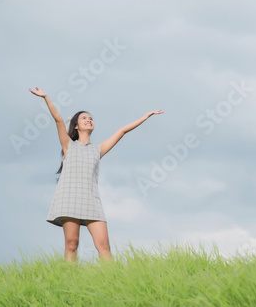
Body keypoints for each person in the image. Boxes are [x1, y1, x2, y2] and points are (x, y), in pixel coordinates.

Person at [29, 86, 164, 263]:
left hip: (91, 200)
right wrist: (46, 97)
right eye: (84, 118)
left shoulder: (97, 150)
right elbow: (58, 120)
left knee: (104, 245)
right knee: (71, 244)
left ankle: (111, 281)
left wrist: (146, 116)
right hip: (68, 198)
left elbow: (122, 131)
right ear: (76, 126)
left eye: (91, 118)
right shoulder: (69, 145)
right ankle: (69, 281)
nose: (89, 120)